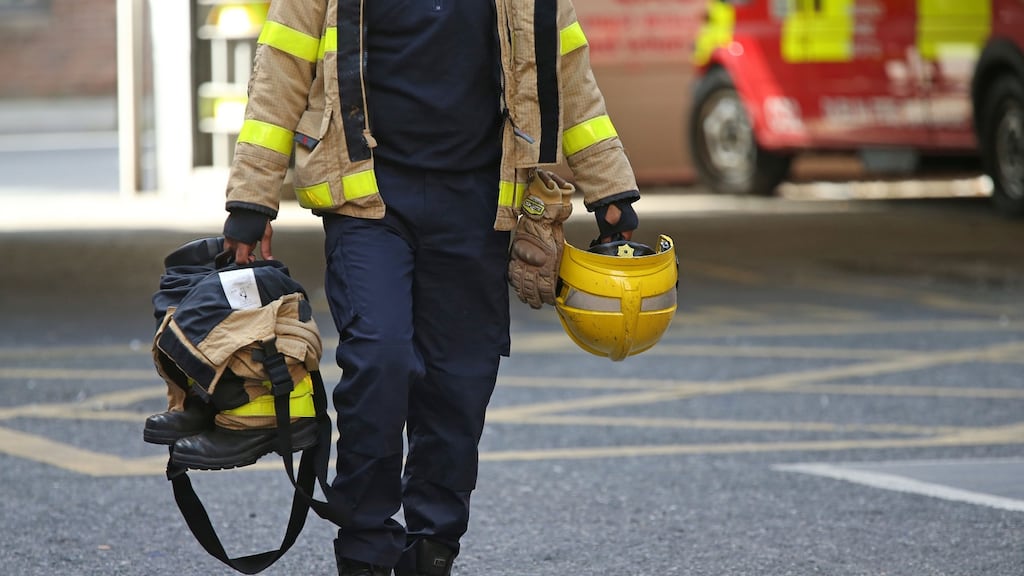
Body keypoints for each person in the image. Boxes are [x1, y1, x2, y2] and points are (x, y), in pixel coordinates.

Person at [218, 0, 641, 574]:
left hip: (477, 204)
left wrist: (610, 190)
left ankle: (433, 545)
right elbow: (279, 73)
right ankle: (366, 547)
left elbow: (571, 75)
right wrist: (252, 198)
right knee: (380, 359)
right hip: (368, 199)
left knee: (458, 383)